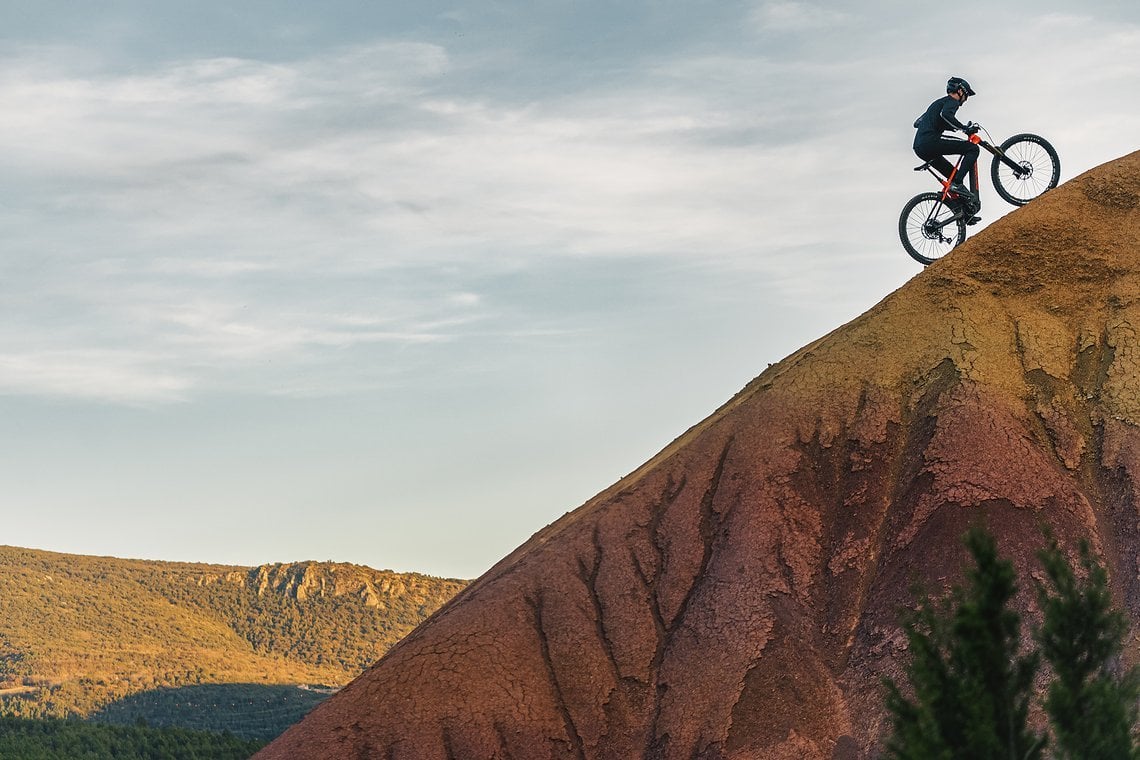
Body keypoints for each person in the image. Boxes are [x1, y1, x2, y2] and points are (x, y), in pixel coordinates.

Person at [913, 76, 981, 220]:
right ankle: (957, 184)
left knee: (953, 174)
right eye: (966, 94)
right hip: (930, 142)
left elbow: (917, 123)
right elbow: (946, 115)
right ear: (960, 91)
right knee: (972, 149)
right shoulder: (951, 101)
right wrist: (964, 128)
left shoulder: (937, 104)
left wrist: (950, 126)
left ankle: (962, 212)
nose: (966, 99)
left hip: (920, 148)